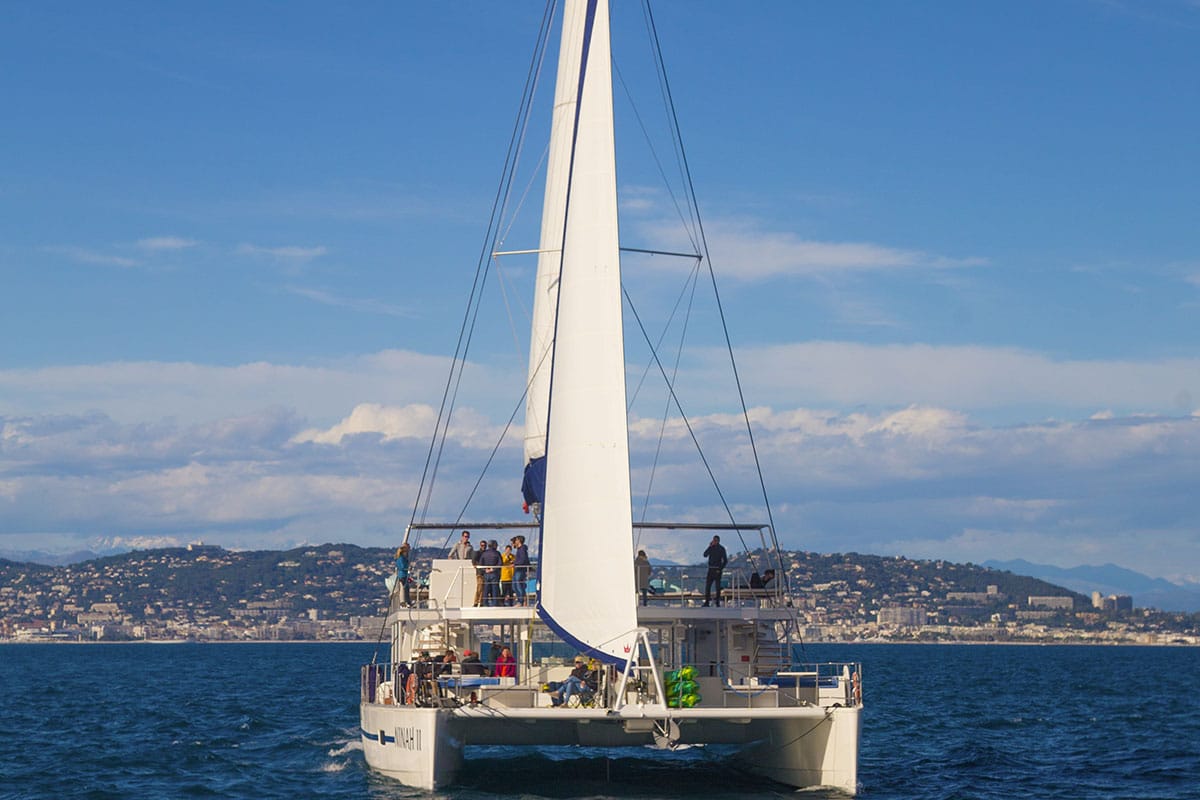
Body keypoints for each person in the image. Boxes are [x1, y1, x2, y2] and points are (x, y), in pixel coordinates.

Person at [703, 535, 728, 607]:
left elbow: (725, 560)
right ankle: (707, 602)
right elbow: (705, 555)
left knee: (717, 587)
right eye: (714, 540)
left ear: (718, 541)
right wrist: (710, 546)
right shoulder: (711, 548)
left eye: (715, 540)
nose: (714, 542)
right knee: (708, 586)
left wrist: (720, 569)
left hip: (717, 569)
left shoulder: (721, 549)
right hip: (710, 569)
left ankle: (717, 602)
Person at [479, 539, 502, 606]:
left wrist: (485, 570)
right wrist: (493, 569)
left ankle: (485, 603)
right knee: (495, 589)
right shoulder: (497, 553)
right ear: (494, 545)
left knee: (486, 589)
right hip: (494, 573)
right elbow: (500, 563)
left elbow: (480, 564)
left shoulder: (484, 553)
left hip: (486, 573)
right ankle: (495, 603)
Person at [512, 535, 530, 606]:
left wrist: (515, 563)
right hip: (518, 569)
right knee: (515, 586)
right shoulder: (520, 549)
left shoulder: (522, 549)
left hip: (520, 570)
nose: (515, 542)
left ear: (519, 541)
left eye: (516, 540)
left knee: (518, 585)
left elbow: (523, 559)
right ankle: (520, 600)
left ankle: (520, 601)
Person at [472, 540, 487, 606]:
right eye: (482, 545)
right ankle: (476, 602)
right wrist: (478, 567)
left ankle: (481, 602)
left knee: (484, 588)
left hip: (486, 572)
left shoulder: (486, 553)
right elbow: (474, 562)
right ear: (480, 546)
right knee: (479, 587)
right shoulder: (477, 553)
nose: (483, 547)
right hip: (480, 573)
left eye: (484, 545)